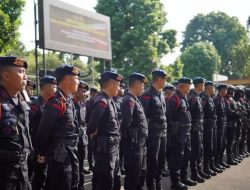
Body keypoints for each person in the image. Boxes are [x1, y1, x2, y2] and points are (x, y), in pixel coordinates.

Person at [36, 64, 80, 190]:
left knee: (73, 184)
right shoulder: (55, 102)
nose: (78, 82)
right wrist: (43, 153)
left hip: (71, 152)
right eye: (76, 78)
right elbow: (44, 131)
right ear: (67, 79)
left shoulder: (68, 100)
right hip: (60, 156)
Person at [0, 56, 33, 190]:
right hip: (4, 175)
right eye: (21, 72)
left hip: (22, 170)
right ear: (6, 76)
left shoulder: (21, 102)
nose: (25, 76)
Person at [87, 71, 123, 190]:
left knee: (115, 180)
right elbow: (91, 125)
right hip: (106, 149)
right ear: (111, 84)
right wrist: (94, 130)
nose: (119, 88)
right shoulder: (102, 101)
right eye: (118, 85)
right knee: (106, 181)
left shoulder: (109, 100)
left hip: (112, 147)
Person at [140, 69, 168, 190]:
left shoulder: (161, 94)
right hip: (153, 133)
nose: (165, 82)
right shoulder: (147, 94)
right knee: (153, 160)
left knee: (161, 160)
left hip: (163, 131)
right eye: (165, 79)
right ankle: (151, 185)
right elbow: (143, 116)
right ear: (159, 79)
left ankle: (158, 184)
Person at [167, 77, 196, 190]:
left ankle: (184, 177)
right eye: (188, 86)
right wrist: (174, 128)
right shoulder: (174, 98)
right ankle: (175, 182)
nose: (189, 89)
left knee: (186, 155)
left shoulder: (183, 97)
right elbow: (168, 115)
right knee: (177, 157)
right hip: (178, 133)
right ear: (183, 86)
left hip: (186, 132)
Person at [121, 73, 148, 190]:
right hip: (134, 145)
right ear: (136, 84)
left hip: (140, 144)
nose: (143, 88)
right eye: (142, 85)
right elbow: (126, 123)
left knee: (141, 173)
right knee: (133, 175)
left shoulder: (135, 100)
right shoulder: (128, 101)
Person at [29, 75, 57, 190]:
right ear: (46, 88)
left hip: (49, 145)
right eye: (54, 86)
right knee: (39, 175)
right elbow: (28, 126)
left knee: (49, 175)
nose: (56, 89)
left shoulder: (51, 103)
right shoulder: (35, 104)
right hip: (38, 147)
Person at [188, 77, 210, 183]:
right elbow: (190, 114)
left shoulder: (197, 97)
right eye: (203, 84)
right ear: (199, 85)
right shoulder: (192, 97)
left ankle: (198, 171)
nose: (204, 86)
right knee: (195, 151)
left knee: (200, 150)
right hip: (194, 129)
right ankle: (194, 173)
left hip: (199, 128)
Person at [200, 81, 221, 176]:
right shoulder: (203, 98)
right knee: (208, 147)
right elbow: (201, 114)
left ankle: (211, 166)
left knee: (213, 146)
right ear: (208, 88)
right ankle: (206, 168)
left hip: (212, 125)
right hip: (206, 126)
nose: (214, 89)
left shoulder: (210, 98)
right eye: (213, 88)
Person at [73, 80, 90, 190]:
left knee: (80, 167)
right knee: (73, 168)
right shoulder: (68, 104)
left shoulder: (83, 105)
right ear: (75, 91)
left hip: (82, 141)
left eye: (85, 91)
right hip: (71, 143)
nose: (84, 94)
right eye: (82, 91)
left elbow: (85, 123)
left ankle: (81, 186)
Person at [213, 84, 230, 170]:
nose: (226, 92)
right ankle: (216, 163)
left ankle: (220, 161)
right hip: (218, 125)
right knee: (219, 144)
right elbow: (214, 113)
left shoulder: (222, 99)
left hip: (223, 124)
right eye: (225, 90)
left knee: (223, 143)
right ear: (221, 90)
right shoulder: (216, 100)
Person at [224, 85, 239, 166]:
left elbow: (236, 109)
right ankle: (229, 159)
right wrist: (235, 113)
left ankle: (232, 157)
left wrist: (238, 112)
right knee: (229, 142)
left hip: (234, 123)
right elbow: (228, 111)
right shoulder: (226, 100)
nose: (232, 93)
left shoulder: (231, 99)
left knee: (232, 141)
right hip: (228, 124)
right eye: (230, 91)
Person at [85, 87, 99, 172]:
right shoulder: (89, 102)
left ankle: (94, 164)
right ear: (92, 94)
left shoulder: (94, 102)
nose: (95, 95)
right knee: (91, 148)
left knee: (95, 148)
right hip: (91, 128)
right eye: (94, 94)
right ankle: (91, 165)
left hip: (95, 128)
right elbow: (87, 117)